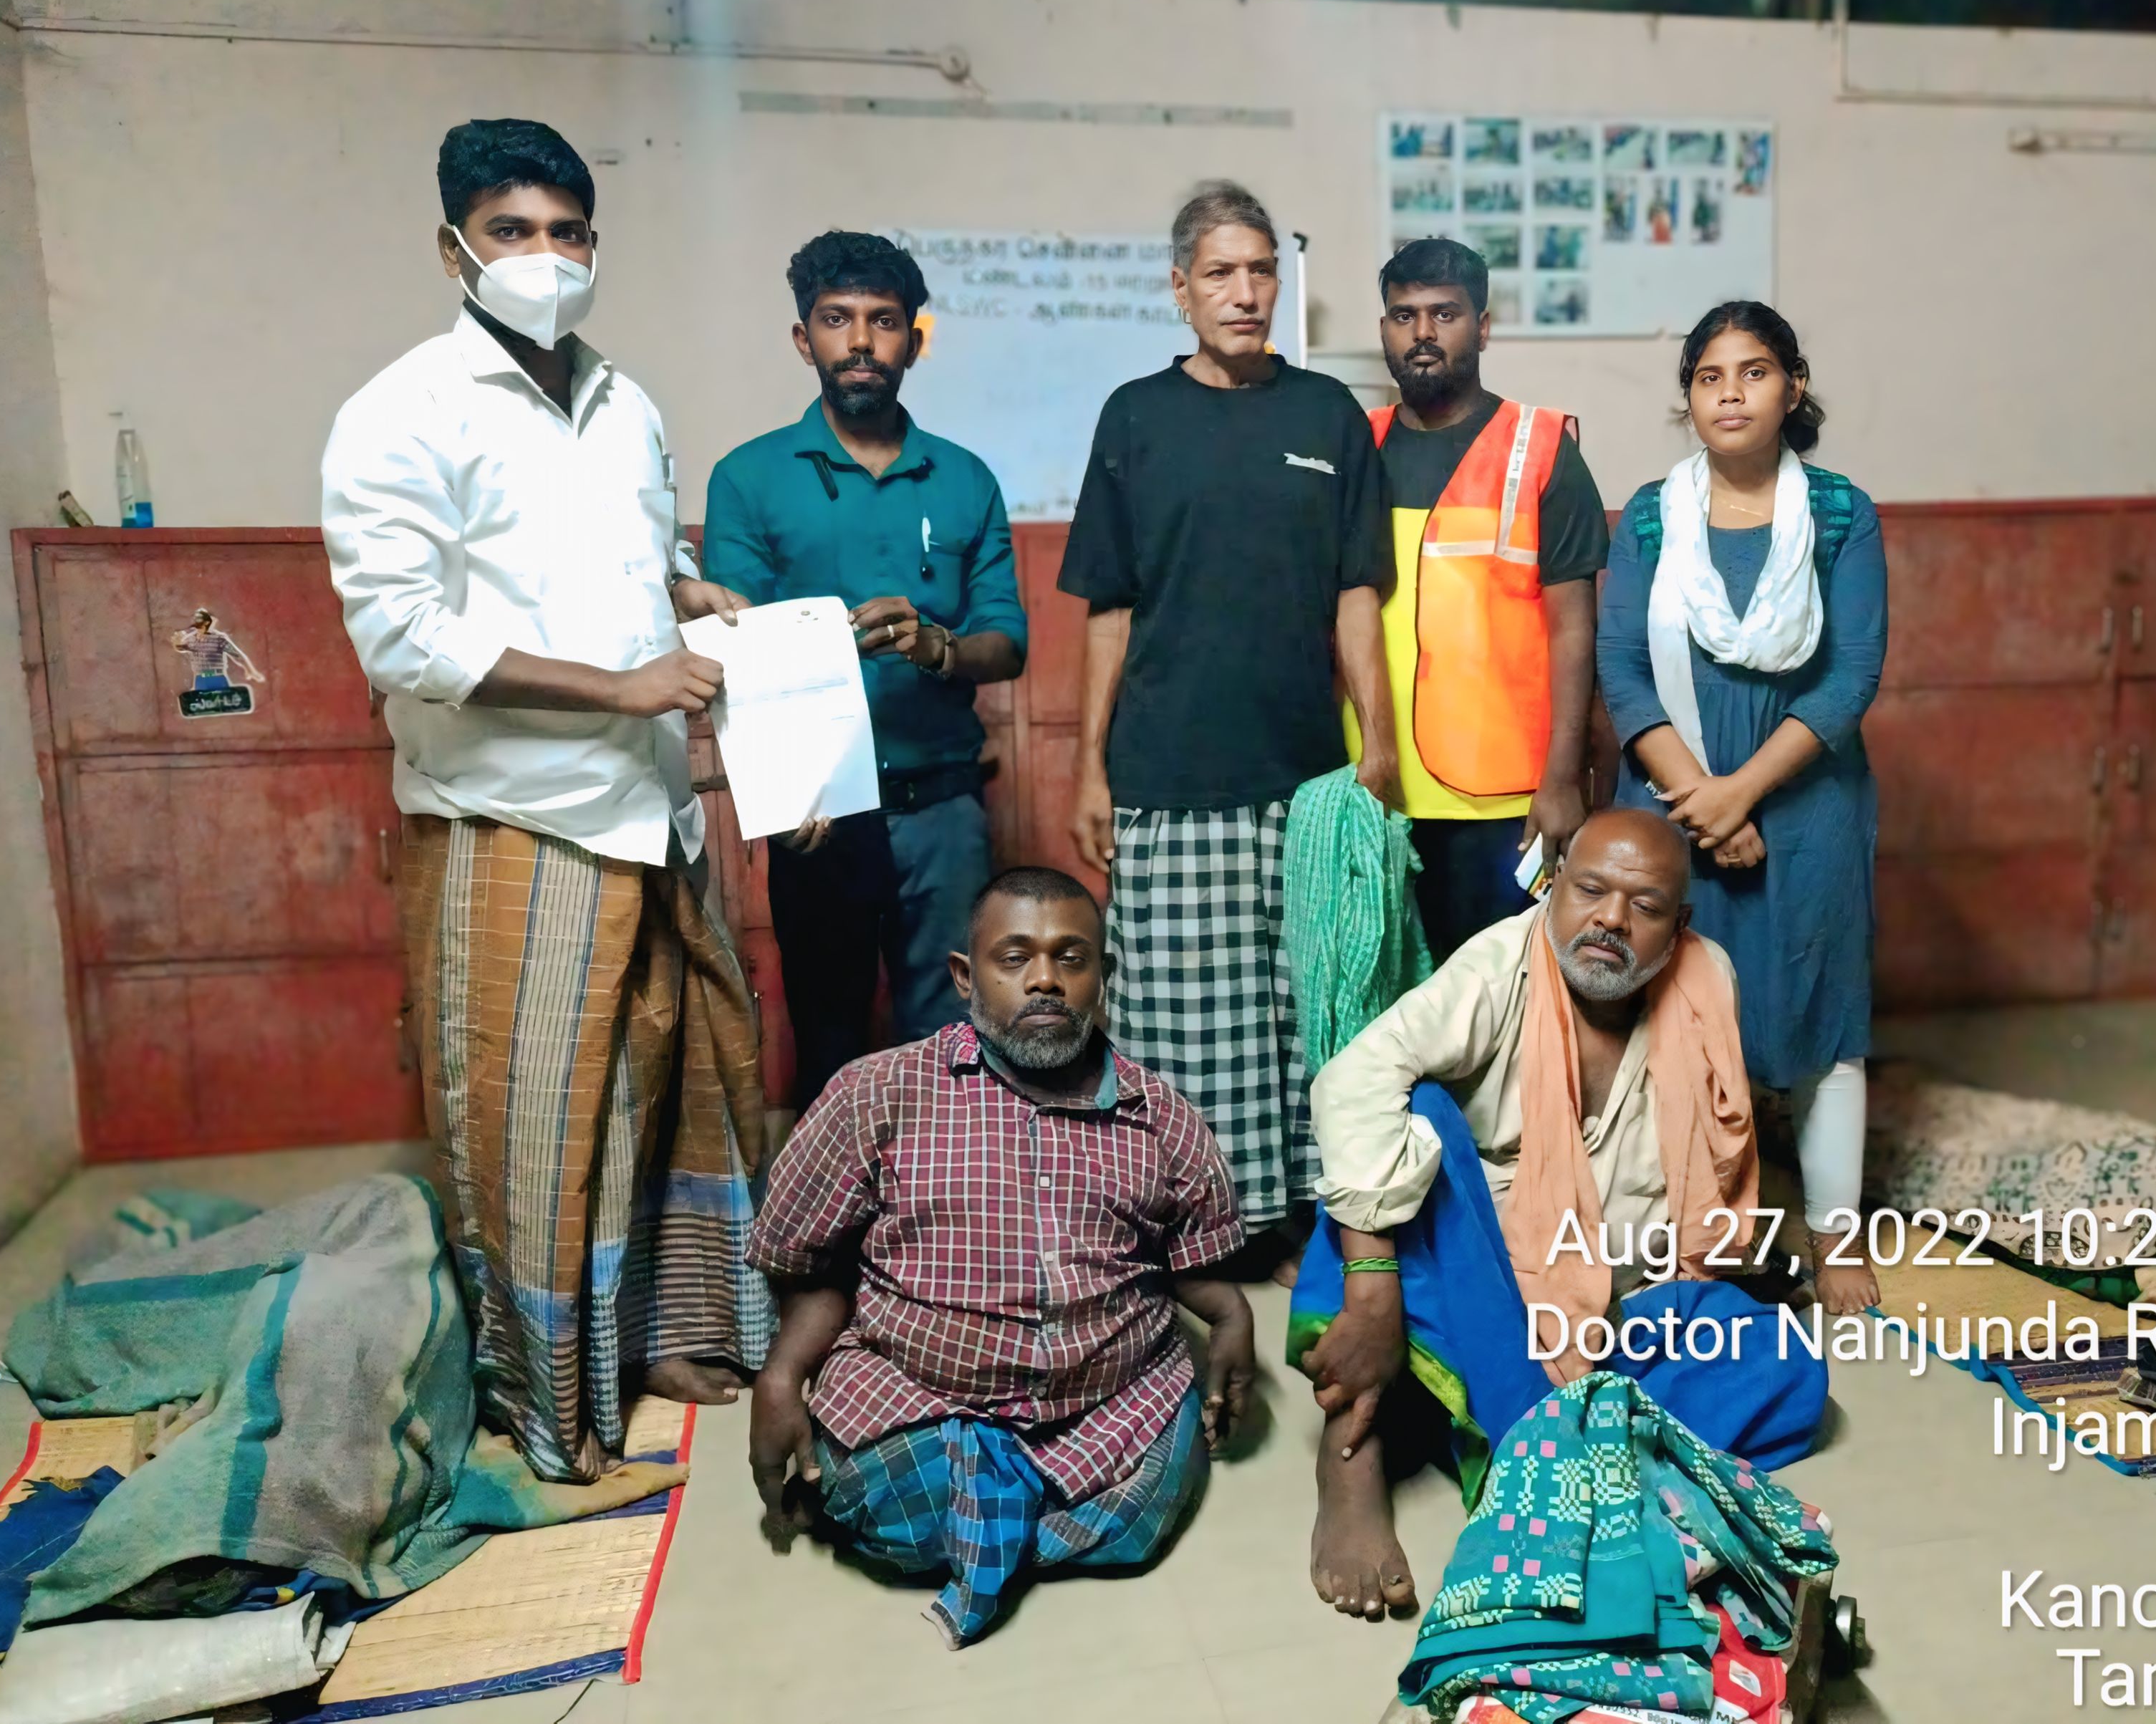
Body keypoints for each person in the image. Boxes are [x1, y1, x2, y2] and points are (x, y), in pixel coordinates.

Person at [320, 117, 772, 1483]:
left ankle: (670, 1336)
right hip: (519, 820)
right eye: (513, 232)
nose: (545, 257)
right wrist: (621, 687)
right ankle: (549, 1400)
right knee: (537, 1122)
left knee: (678, 1082)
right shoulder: (402, 411)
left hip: (652, 812)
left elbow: (630, 552)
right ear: (450, 245)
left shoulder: (625, 402)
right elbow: (404, 640)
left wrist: (684, 589)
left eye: (568, 232)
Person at [1291, 807, 1827, 1621]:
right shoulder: (1497, 967)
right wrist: (1370, 1292)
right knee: (1417, 1124)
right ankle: (1353, 1450)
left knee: (1789, 1365)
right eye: (1588, 890)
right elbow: (1351, 1082)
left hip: (1608, 1313)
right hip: (1487, 1288)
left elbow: (1697, 1171)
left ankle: (1546, 1443)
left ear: (1676, 926)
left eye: (1642, 907)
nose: (1609, 920)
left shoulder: (1705, 978)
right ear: (1554, 887)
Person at [745, 867, 1256, 1647]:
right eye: (1014, 958)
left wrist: (1231, 1320)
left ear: (1100, 979)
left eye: (1070, 958)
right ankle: (1021, 1513)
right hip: (919, 1395)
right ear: (964, 976)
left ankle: (988, 1523)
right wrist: (781, 1376)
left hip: (1110, 1403)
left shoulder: (1161, 1118)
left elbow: (1196, 1268)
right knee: (879, 1486)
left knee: (1145, 1503)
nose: (1044, 979)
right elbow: (813, 1265)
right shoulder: (876, 1095)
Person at [1058, 180, 1397, 1250]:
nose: (1245, 292)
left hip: (1301, 777)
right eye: (1221, 272)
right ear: (1179, 288)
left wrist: (1375, 742)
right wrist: (1087, 772)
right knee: (1180, 1034)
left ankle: (1293, 1223)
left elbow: (1357, 592)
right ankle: (1181, 1223)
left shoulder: (1325, 416)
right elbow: (1107, 609)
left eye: (1261, 271)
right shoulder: (1134, 418)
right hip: (1167, 775)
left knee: (1303, 1021)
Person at [1594, 300, 1887, 1318]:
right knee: (1667, 1014)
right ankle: (1692, 1222)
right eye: (1708, 374)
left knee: (1819, 1018)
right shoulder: (1646, 516)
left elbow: (1849, 676)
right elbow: (1622, 673)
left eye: (1752, 371)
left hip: (1803, 805)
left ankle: (1833, 1230)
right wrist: (1698, 804)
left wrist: (1736, 795)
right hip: (1667, 799)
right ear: (1687, 396)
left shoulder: (1842, 514)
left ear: (1790, 388)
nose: (1728, 391)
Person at [703, 231, 1028, 1109]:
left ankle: (947, 1230)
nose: (860, 342)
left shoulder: (965, 479)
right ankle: (832, 1243)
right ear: (803, 339)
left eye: (882, 322)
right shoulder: (748, 478)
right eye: (837, 320)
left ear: (911, 341)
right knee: (831, 1042)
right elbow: (738, 643)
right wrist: (785, 788)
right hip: (819, 813)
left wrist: (939, 647)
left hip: (944, 810)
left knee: (958, 1042)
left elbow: (1007, 637)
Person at [1359, 238, 1612, 963]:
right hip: (1376, 796)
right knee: (1389, 1020)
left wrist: (1563, 779)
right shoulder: (1357, 447)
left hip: (1504, 805)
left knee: (1505, 1015)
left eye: (1445, 314)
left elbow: (1573, 631)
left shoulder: (1540, 450)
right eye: (1403, 316)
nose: (1423, 334)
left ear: (1483, 326)